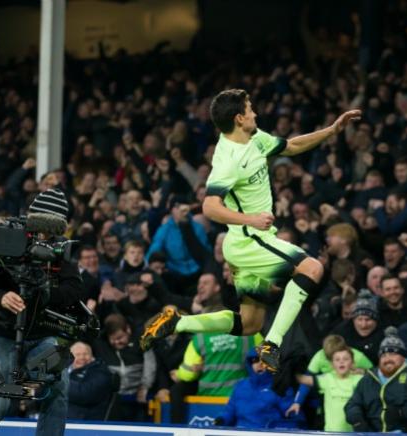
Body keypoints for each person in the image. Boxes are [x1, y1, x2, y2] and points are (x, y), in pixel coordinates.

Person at [140, 89, 361, 371]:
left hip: (247, 241)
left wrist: (332, 130)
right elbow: (209, 206)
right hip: (249, 240)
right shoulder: (228, 159)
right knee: (313, 268)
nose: (255, 113)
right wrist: (251, 220)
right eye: (250, 109)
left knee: (249, 324)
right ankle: (273, 343)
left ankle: (177, 322)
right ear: (239, 118)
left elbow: (291, 146)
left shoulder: (254, 138)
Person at [0, 189, 84, 436]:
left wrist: (48, 294)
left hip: (40, 334)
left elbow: (75, 288)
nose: (46, 234)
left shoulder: (60, 249)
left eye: (53, 230)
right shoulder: (6, 239)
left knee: (59, 384)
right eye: (42, 227)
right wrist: (1, 297)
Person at [344, 327, 407, 432]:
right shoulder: (368, 379)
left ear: (404, 358)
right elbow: (352, 404)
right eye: (384, 355)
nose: (388, 359)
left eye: (393, 354)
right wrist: (357, 421)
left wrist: (402, 412)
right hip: (371, 433)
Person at [213, 348, 300, 429]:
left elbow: (292, 418)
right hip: (240, 431)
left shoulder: (280, 386)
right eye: (255, 360)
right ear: (249, 364)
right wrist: (222, 419)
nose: (260, 364)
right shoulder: (240, 385)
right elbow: (229, 411)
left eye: (264, 360)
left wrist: (274, 427)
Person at [291, 344, 364, 431]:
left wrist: (365, 371)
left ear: (352, 363)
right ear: (332, 364)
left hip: (353, 433)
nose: (341, 362)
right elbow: (303, 379)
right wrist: (289, 370)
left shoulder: (360, 380)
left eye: (345, 359)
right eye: (337, 359)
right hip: (330, 432)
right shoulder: (327, 379)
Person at [67, 341, 115, 421]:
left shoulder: (101, 371)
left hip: (84, 421)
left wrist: (59, 383)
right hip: (58, 417)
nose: (82, 357)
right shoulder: (64, 369)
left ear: (92, 356)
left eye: (85, 354)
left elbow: (84, 394)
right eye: (77, 354)